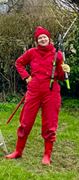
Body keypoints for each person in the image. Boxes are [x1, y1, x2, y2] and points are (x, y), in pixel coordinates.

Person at [6, 26, 70, 165]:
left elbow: (60, 76)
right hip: (34, 90)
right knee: (26, 121)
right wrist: (27, 77)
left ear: (49, 39)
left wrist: (66, 72)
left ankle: (47, 155)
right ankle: (18, 151)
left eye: (44, 37)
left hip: (51, 91)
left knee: (49, 123)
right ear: (37, 41)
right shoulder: (31, 53)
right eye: (39, 38)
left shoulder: (57, 54)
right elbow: (19, 63)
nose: (42, 39)